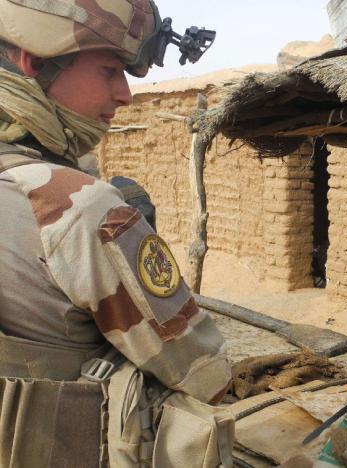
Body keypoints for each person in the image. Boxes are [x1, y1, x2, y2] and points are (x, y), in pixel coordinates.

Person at [0, 0, 230, 466]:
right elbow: (203, 374)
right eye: (110, 70)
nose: (125, 94)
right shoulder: (76, 203)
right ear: (36, 61)